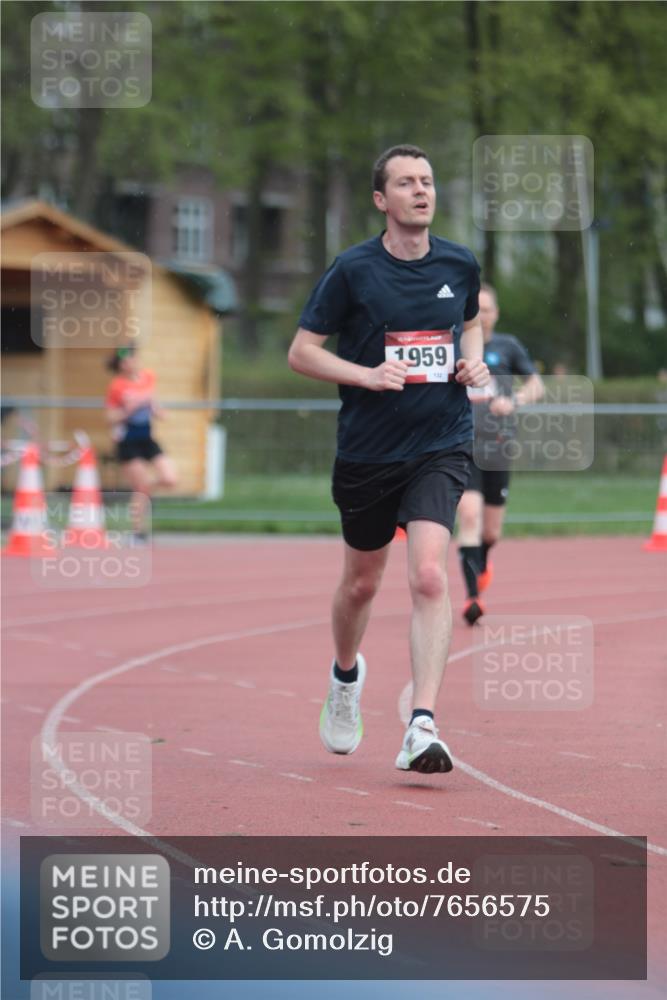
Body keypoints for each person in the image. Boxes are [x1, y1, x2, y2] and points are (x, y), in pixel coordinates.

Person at [288, 144, 489, 775]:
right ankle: (345, 677)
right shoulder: (353, 269)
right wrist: (367, 375)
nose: (421, 191)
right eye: (406, 183)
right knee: (362, 583)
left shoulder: (459, 261)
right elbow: (301, 352)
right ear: (382, 200)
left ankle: (421, 724)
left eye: (427, 181)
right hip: (370, 452)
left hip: (442, 442)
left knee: (429, 576)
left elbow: (468, 322)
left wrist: (472, 361)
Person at [457, 284, 544, 625]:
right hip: (463, 446)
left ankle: (482, 559)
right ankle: (472, 598)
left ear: (497, 313)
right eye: (476, 308)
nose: (482, 314)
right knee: (468, 516)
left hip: (498, 447)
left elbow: (536, 384)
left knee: (490, 532)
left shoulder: (508, 347)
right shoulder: (456, 345)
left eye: (488, 308)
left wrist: (516, 400)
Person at [105, 346, 178, 537]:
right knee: (140, 486)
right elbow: (110, 417)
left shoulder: (148, 377)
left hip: (147, 437)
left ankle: (147, 493)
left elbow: (153, 403)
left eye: (132, 359)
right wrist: (129, 409)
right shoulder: (117, 386)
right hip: (128, 440)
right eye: (126, 361)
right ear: (121, 366)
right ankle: (138, 530)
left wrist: (158, 410)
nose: (131, 363)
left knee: (169, 478)